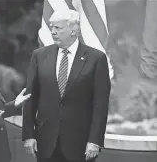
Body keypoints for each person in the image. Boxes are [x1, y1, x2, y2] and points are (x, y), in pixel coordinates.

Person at [22, 10, 111, 162]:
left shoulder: (96, 59)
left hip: (80, 143)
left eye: (58, 28)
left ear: (74, 30)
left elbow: (100, 104)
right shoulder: (40, 55)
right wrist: (29, 135)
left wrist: (95, 140)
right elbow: (31, 98)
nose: (53, 31)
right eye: (52, 27)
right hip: (45, 141)